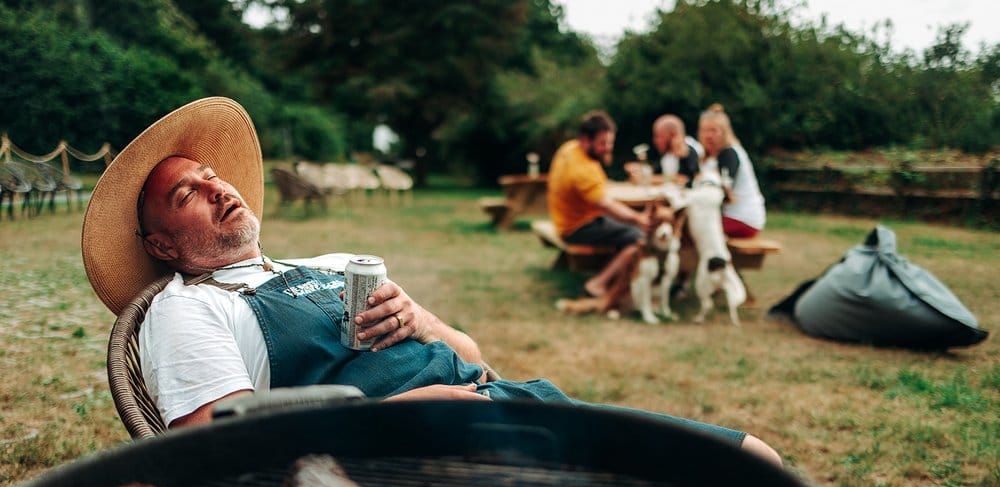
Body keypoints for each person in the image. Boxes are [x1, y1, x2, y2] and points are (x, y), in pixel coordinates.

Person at [81, 97, 780, 466]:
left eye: (213, 176)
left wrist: (419, 319)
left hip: (506, 404)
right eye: (188, 194)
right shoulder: (188, 307)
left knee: (757, 459)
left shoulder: (328, 264)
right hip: (410, 460)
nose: (217, 188)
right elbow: (217, 445)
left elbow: (473, 357)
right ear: (162, 245)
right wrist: (399, 415)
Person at [546, 110, 653, 299]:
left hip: (568, 220)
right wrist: (638, 218)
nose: (607, 148)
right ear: (586, 140)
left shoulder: (570, 149)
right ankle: (597, 284)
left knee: (626, 228)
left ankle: (621, 279)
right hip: (577, 227)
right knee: (639, 237)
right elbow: (606, 204)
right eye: (603, 143)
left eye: (610, 143)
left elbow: (599, 189)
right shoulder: (582, 169)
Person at [697, 104, 766, 238]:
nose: (708, 136)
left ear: (724, 132)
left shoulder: (730, 154)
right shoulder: (708, 156)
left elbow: (722, 193)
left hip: (742, 218)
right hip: (730, 216)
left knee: (693, 228)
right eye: (704, 131)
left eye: (713, 131)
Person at [625, 114, 703, 188]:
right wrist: (640, 170)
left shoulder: (689, 152)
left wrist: (650, 179)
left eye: (659, 136)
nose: (655, 141)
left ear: (673, 135)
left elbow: (684, 179)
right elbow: (655, 172)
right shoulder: (666, 155)